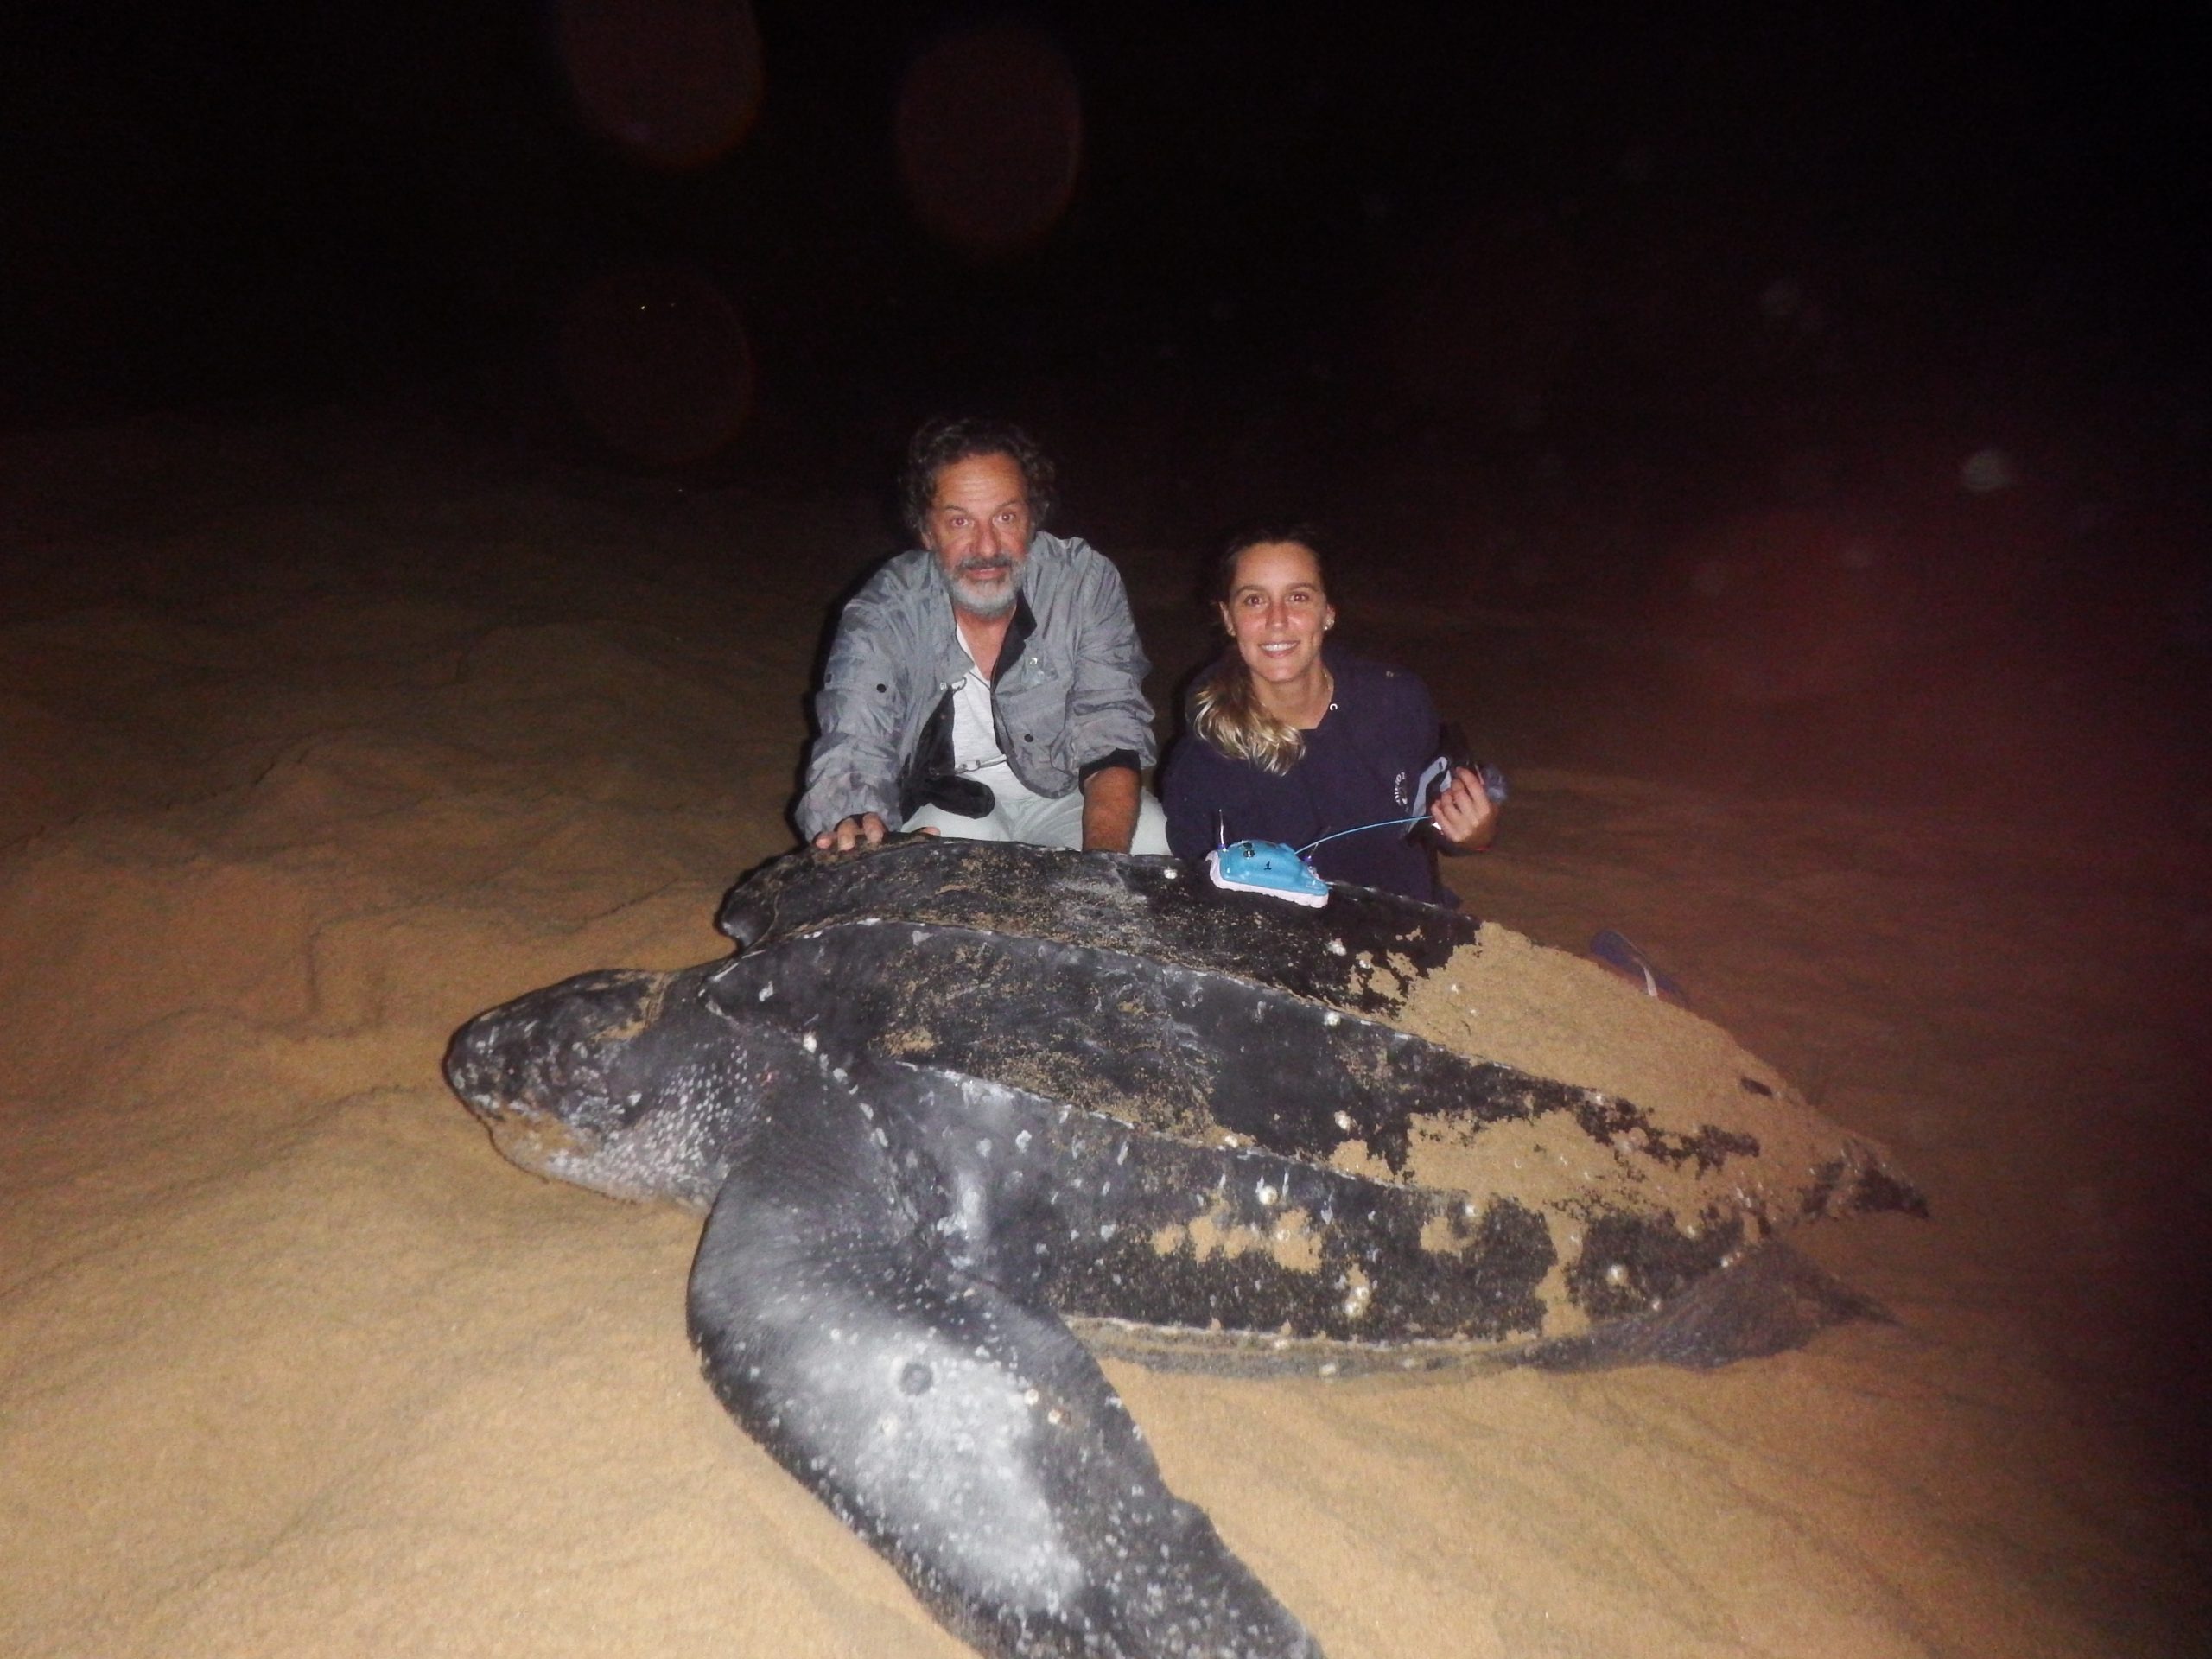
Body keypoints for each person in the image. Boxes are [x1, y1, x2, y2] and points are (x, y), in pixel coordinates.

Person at [797, 416, 1170, 855]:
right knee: (938, 873)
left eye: (1006, 517)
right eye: (960, 522)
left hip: (1066, 789)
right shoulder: (886, 609)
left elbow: (1111, 726)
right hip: (946, 799)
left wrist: (1102, 867)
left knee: (1151, 844)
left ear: (1033, 518)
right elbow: (855, 736)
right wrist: (854, 820)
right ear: (925, 530)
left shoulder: (1084, 582)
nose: (988, 547)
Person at [1159, 528, 1497, 905]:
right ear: (1228, 617)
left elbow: (1438, 827)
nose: (1277, 619)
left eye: (1298, 597)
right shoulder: (1203, 754)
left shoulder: (1396, 700)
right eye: (1254, 600)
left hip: (1408, 928)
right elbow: (1203, 893)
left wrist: (1475, 835)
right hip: (1282, 944)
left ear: (1328, 612)